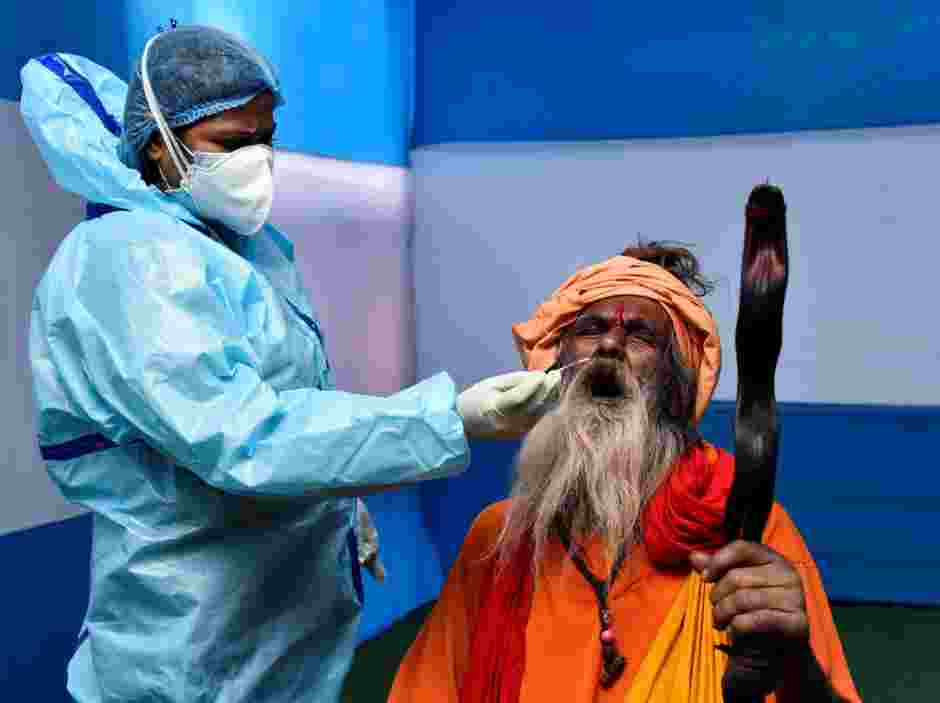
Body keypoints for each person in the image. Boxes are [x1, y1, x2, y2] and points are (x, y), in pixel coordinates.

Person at [20, 25, 560, 703]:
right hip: (191, 645)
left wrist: (336, 506)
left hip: (269, 624)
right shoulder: (131, 260)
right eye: (232, 142)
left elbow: (292, 399)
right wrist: (452, 418)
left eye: (266, 137)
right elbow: (247, 438)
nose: (258, 159)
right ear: (159, 143)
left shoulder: (236, 247)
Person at [387, 243, 862, 703]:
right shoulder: (497, 539)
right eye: (591, 329)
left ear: (677, 388)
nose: (610, 345)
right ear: (556, 369)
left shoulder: (745, 528)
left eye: (640, 336)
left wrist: (795, 663)